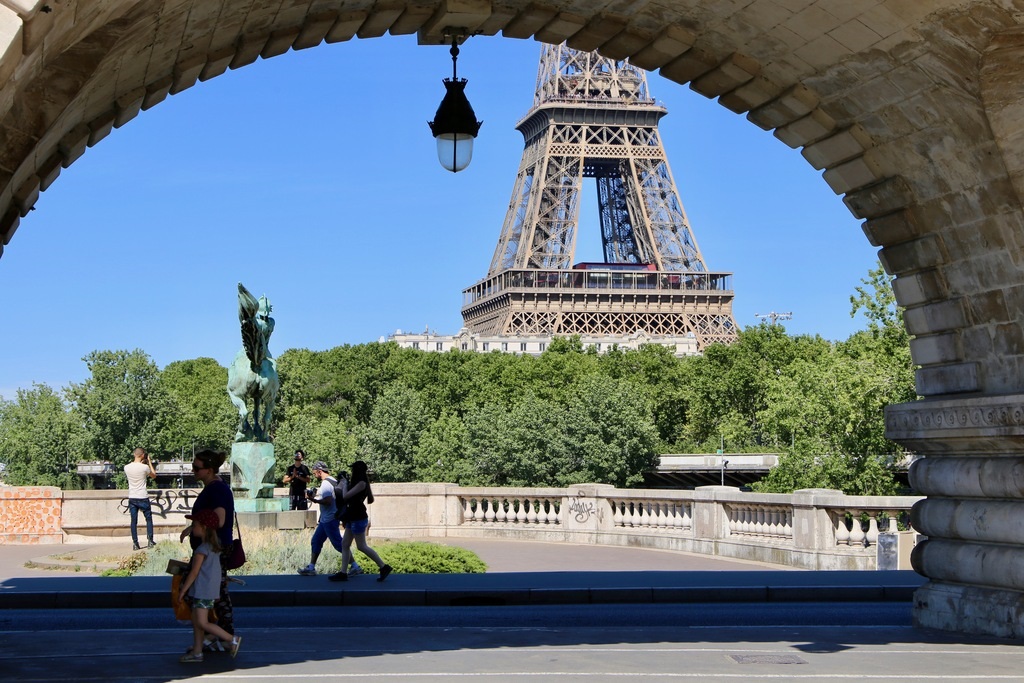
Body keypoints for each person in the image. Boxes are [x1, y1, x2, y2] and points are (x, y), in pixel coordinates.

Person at [179, 449, 236, 639]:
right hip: (214, 547)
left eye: (197, 468)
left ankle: (221, 634)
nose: (193, 471)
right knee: (215, 591)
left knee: (208, 590)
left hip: (214, 548)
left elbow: (219, 520)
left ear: (210, 470)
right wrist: (193, 528)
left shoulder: (217, 489)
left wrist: (198, 525)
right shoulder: (214, 487)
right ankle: (214, 634)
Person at [178, 508, 242, 663]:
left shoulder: (201, 550)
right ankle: (197, 652)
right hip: (208, 590)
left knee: (201, 622)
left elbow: (194, 573)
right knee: (197, 622)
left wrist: (182, 591)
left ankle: (231, 639)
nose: (193, 528)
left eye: (195, 524)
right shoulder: (214, 548)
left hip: (202, 591)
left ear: (204, 528)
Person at [330, 460, 392, 582]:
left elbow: (346, 496)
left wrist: (344, 484)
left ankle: (383, 566)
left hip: (358, 517)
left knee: (361, 546)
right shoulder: (358, 483)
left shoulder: (361, 483)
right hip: (352, 517)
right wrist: (345, 483)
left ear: (356, 471)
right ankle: (343, 573)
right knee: (345, 544)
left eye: (353, 470)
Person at [297, 461, 362, 577]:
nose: (314, 474)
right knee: (316, 541)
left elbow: (328, 501)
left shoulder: (326, 484)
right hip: (325, 520)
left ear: (319, 471)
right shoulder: (332, 480)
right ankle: (311, 567)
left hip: (330, 519)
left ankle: (355, 566)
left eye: (314, 472)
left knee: (339, 544)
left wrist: (313, 500)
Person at [124, 447, 156, 550]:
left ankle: (135, 543)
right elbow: (154, 475)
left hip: (132, 497)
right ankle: (150, 541)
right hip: (143, 496)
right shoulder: (144, 467)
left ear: (134, 454)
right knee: (148, 519)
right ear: (143, 455)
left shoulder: (126, 467)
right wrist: (149, 462)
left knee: (134, 521)